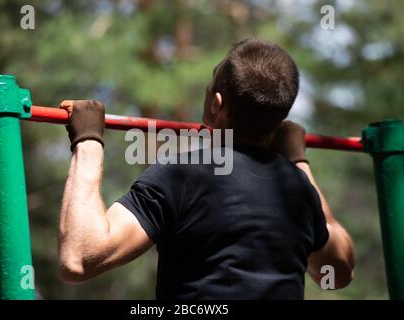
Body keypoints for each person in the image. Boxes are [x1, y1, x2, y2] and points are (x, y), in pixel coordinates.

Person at [57, 38, 355, 299]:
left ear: (216, 103)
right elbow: (339, 273)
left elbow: (80, 258)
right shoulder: (297, 187)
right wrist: (299, 162)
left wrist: (88, 140)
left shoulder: (182, 173)